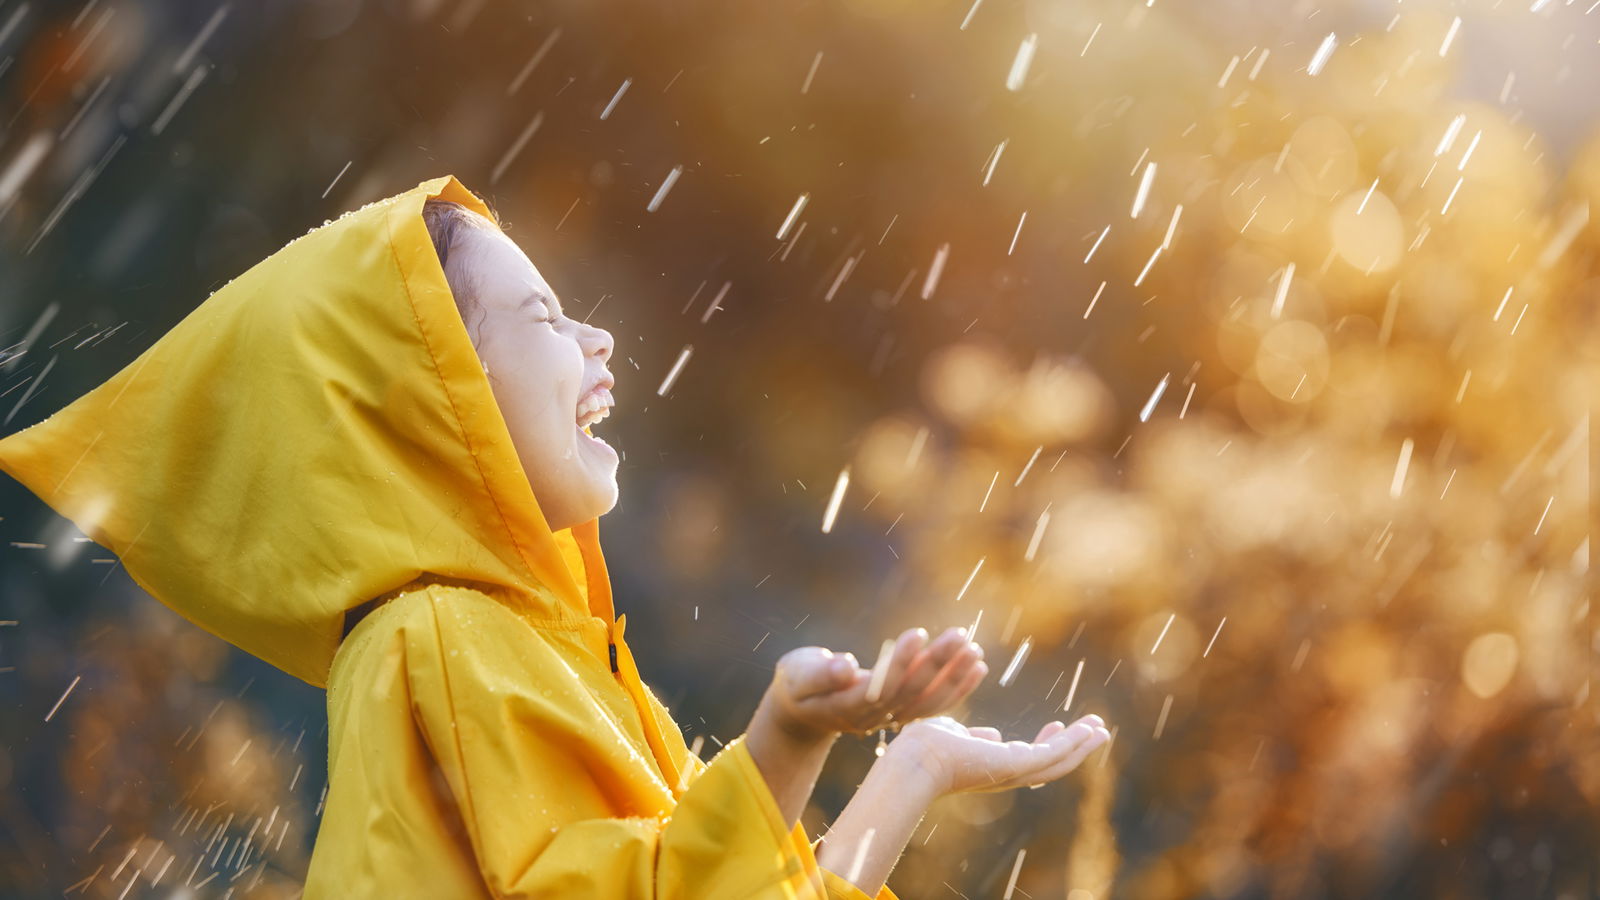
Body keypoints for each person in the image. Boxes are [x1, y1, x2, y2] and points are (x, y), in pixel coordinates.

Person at [0, 175, 1109, 898]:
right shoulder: (435, 637)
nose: (601, 339)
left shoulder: (535, 647)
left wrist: (896, 766)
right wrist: (785, 742)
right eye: (540, 318)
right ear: (431, 398)